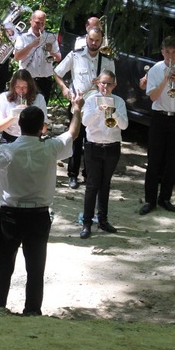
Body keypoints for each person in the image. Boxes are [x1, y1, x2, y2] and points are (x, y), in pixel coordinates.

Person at [0, 95, 84, 316]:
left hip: (10, 214)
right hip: (38, 216)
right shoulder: (50, 147)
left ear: (19, 126)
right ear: (43, 127)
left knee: (3, 266)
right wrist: (76, 109)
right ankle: (32, 311)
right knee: (36, 268)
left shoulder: (6, 150)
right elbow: (73, 133)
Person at [139, 36, 175, 215]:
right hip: (160, 117)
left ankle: (165, 198)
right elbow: (153, 97)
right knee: (154, 160)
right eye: (167, 52)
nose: (170, 56)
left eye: (174, 52)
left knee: (173, 160)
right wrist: (165, 80)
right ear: (162, 52)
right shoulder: (156, 69)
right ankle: (150, 200)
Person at [54, 26, 116, 189]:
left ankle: (89, 175)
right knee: (75, 139)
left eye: (97, 40)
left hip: (97, 106)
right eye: (91, 39)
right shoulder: (75, 55)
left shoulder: (107, 60)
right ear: (86, 38)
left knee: (93, 140)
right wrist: (65, 88)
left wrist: (103, 84)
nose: (93, 43)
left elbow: (113, 83)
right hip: (78, 104)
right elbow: (57, 73)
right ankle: (72, 175)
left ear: (101, 41)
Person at [79, 69, 128, 239]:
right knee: (92, 185)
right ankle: (86, 222)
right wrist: (99, 109)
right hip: (93, 147)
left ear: (114, 85)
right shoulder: (91, 100)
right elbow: (84, 122)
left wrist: (112, 110)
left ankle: (103, 220)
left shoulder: (119, 101)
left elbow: (124, 126)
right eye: (102, 83)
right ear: (97, 83)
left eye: (108, 84)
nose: (105, 87)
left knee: (105, 184)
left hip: (112, 147)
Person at [13, 9, 62, 100]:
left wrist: (51, 51)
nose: (40, 26)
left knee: (42, 109)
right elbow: (17, 57)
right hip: (27, 80)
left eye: (42, 23)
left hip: (45, 80)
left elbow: (58, 58)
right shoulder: (22, 37)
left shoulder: (50, 37)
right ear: (30, 20)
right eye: (37, 22)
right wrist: (32, 45)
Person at [0, 69, 48, 142]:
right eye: (18, 86)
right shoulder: (4, 97)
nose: (21, 90)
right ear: (13, 86)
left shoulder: (39, 98)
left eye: (25, 87)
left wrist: (31, 114)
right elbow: (0, 127)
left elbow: (44, 129)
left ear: (30, 86)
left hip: (31, 139)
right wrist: (14, 115)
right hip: (9, 139)